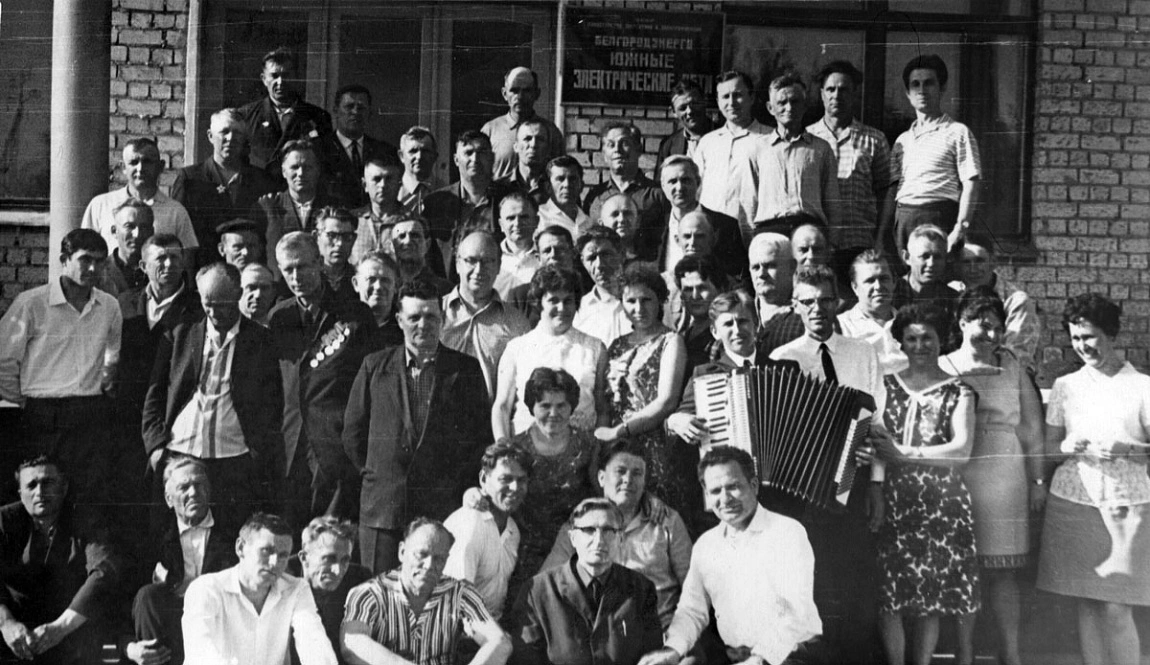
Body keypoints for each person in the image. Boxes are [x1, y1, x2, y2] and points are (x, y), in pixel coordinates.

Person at [769, 264, 886, 664]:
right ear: (794, 306)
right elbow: (776, 431)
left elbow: (876, 425)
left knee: (857, 581)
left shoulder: (863, 353)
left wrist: (876, 484)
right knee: (812, 583)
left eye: (824, 300)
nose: (817, 309)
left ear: (837, 302)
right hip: (801, 492)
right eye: (807, 302)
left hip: (854, 482)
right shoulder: (783, 358)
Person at [342, 280, 491, 573]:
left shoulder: (466, 370)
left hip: (440, 509)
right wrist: (379, 474)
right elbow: (352, 434)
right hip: (383, 510)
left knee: (432, 591)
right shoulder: (374, 366)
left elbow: (479, 439)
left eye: (431, 317)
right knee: (378, 591)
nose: (423, 325)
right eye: (414, 318)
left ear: (443, 318)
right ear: (399, 320)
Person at [1035, 293, 1150, 665]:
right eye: (1076, 338)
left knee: (1117, 606)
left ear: (1111, 334)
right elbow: (1049, 450)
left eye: (1090, 336)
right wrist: (1068, 445)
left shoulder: (1143, 386)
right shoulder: (1066, 386)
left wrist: (1127, 448)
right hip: (1074, 503)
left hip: (1128, 506)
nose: (1082, 346)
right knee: (1087, 602)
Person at [867, 304, 979, 665]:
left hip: (941, 504)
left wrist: (904, 453)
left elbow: (961, 451)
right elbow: (877, 443)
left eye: (927, 338)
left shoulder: (959, 392)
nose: (919, 346)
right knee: (890, 595)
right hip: (894, 499)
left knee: (930, 596)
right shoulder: (885, 385)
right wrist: (877, 485)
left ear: (941, 340)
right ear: (900, 342)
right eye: (911, 338)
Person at [639, 446, 822, 665]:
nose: (725, 499)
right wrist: (672, 650)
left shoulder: (787, 532)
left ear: (754, 486)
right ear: (707, 495)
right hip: (734, 657)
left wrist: (760, 659)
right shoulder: (706, 545)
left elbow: (795, 611)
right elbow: (691, 610)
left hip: (788, 655)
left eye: (733, 487)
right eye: (716, 491)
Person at [940, 288, 1044, 665]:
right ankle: (964, 653)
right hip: (960, 476)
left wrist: (1037, 481)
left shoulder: (1011, 365)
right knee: (963, 571)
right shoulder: (944, 365)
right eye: (983, 325)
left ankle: (1010, 653)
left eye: (998, 328)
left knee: (1004, 573)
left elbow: (1032, 427)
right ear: (962, 323)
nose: (992, 335)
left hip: (1006, 478)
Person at [142, 263, 284, 527]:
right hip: (179, 453)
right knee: (171, 535)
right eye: (208, 304)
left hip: (233, 460)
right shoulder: (181, 330)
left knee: (227, 536)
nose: (214, 312)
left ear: (238, 294)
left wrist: (257, 454)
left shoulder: (260, 341)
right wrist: (155, 447)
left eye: (223, 305)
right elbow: (155, 391)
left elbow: (271, 405)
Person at [0, 229, 120, 504]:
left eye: (100, 261)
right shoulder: (32, 304)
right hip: (42, 417)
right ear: (64, 260)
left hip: (89, 415)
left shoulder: (109, 307)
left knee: (86, 498)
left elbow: (112, 356)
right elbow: (3, 361)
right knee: (42, 496)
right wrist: (26, 400)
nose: (93, 268)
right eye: (85, 260)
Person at [665, 290, 799, 535]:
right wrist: (675, 420)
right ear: (715, 331)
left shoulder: (785, 371)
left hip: (780, 491)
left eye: (743, 321)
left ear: (756, 324)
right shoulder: (704, 375)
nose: (737, 330)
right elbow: (679, 422)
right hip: (730, 493)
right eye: (728, 324)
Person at [269, 232, 375, 523]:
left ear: (319, 262)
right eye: (288, 270)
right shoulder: (278, 318)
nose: (296, 277)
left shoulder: (355, 315)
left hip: (336, 450)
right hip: (290, 451)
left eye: (302, 266)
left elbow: (371, 387)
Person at [542, 440, 692, 629]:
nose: (628, 480)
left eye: (637, 473)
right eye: (620, 471)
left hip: (659, 632)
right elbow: (546, 584)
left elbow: (693, 589)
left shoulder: (667, 522)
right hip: (600, 637)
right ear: (601, 478)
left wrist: (678, 636)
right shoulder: (580, 525)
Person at [511, 498, 662, 665]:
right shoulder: (537, 592)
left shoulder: (641, 589)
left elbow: (651, 657)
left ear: (620, 539)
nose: (599, 540)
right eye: (589, 530)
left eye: (608, 530)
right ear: (573, 538)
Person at [342, 518, 512, 665]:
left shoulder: (460, 593)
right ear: (402, 552)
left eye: (439, 559)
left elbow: (500, 643)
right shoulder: (369, 593)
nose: (429, 565)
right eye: (421, 554)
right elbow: (352, 643)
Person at [0, 457, 119, 664]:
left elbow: (105, 570)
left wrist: (60, 628)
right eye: (31, 485)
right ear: (20, 493)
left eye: (48, 483)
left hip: (70, 629)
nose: (40, 492)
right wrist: (6, 623)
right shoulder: (5, 520)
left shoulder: (85, 519)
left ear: (64, 488)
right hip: (14, 632)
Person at [182, 512, 336, 665]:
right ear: (240, 548)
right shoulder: (205, 589)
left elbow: (315, 643)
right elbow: (201, 655)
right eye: (266, 551)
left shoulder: (296, 589)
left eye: (283, 555)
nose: (274, 563)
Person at [501, 367, 602, 598]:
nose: (553, 413)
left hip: (573, 549)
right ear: (532, 407)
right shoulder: (516, 448)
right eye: (545, 405)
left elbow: (601, 495)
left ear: (572, 406)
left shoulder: (588, 445)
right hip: (525, 549)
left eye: (561, 405)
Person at [126, 457, 236, 665]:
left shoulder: (232, 533)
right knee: (148, 595)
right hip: (171, 629)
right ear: (169, 499)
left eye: (199, 484)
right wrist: (129, 646)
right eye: (184, 487)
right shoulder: (154, 538)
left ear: (209, 490)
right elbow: (128, 597)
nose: (193, 492)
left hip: (218, 622)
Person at [595, 265, 687, 510]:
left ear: (660, 301)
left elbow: (666, 401)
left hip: (653, 447)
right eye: (631, 301)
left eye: (646, 299)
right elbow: (603, 402)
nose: (639, 308)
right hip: (615, 450)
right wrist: (603, 445)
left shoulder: (670, 341)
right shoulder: (616, 346)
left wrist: (620, 431)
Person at [492, 265, 608, 439]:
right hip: (525, 448)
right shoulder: (517, 348)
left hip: (580, 449)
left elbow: (602, 409)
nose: (561, 308)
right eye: (553, 300)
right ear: (539, 303)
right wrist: (504, 449)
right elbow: (502, 407)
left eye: (568, 301)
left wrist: (598, 449)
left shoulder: (595, 348)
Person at [882, 54, 981, 254]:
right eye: (915, 84)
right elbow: (892, 192)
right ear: (908, 93)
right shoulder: (902, 140)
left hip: (939, 217)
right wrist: (881, 237)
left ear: (941, 88)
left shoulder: (957, 132)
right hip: (904, 219)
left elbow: (971, 183)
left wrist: (960, 228)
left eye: (928, 83)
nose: (921, 90)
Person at [806, 61, 893, 251]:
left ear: (854, 94)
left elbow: (886, 193)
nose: (836, 95)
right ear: (822, 94)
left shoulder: (875, 139)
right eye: (830, 89)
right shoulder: (807, 139)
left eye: (843, 90)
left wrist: (880, 238)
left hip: (859, 241)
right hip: (816, 245)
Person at [171, 108, 277, 264]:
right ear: (210, 136)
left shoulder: (261, 180)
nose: (231, 138)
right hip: (205, 269)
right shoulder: (190, 179)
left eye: (237, 133)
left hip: (249, 269)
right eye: (224, 132)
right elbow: (178, 230)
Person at [444, 441, 533, 621]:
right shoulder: (470, 523)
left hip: (489, 626)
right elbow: (456, 604)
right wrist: (497, 636)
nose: (515, 488)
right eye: (505, 479)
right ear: (484, 479)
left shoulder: (513, 531)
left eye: (521, 480)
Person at [441, 232, 530, 399]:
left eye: (488, 261)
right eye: (471, 260)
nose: (479, 270)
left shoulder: (517, 324)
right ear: (458, 264)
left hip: (491, 414)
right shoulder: (436, 313)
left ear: (499, 266)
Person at [83, 139, 199, 267]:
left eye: (147, 162)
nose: (140, 168)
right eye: (133, 162)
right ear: (123, 167)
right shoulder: (100, 205)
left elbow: (188, 261)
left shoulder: (176, 212)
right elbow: (83, 252)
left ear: (160, 166)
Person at [754, 74, 841, 237]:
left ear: (805, 106)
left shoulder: (821, 149)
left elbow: (833, 203)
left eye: (795, 102)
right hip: (769, 231)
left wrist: (833, 241)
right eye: (782, 102)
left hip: (809, 230)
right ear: (770, 108)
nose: (789, 108)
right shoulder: (758, 148)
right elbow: (749, 201)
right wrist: (752, 244)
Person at [235, 48, 332, 178]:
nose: (280, 82)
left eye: (286, 75)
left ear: (296, 78)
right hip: (260, 187)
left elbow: (324, 164)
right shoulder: (246, 115)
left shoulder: (318, 117)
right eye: (274, 76)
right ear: (264, 79)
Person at [695, 70, 769, 240]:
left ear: (751, 97)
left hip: (752, 234)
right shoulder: (708, 142)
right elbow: (696, 190)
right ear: (718, 101)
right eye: (725, 97)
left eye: (738, 95)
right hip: (711, 235)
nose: (731, 102)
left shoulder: (769, 139)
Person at [288, 516, 372, 665]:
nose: (337, 570)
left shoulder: (359, 580)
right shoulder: (282, 582)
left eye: (345, 560)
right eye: (328, 559)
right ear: (304, 558)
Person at [422, 131, 506, 276]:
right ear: (456, 160)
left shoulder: (507, 199)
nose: (475, 159)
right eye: (468, 153)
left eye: (482, 152)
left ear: (492, 158)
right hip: (448, 286)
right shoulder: (435, 203)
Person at [954, 235, 1041, 373]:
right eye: (966, 262)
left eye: (979, 261)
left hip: (1007, 377)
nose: (973, 269)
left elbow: (1015, 357)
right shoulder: (952, 293)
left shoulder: (1016, 302)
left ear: (993, 262)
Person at [584, 122, 669, 262]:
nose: (617, 150)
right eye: (611, 145)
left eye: (624, 143)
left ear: (639, 149)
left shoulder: (658, 194)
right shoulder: (595, 197)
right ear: (604, 154)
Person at [657, 155, 746, 284]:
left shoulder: (725, 227)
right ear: (663, 186)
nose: (680, 187)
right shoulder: (654, 227)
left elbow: (737, 279)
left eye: (686, 180)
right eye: (672, 181)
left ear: (698, 182)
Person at [316, 84, 399, 208]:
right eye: (349, 107)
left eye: (361, 108)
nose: (355, 112)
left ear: (369, 113)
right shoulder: (318, 149)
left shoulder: (384, 150)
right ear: (335, 110)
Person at [258, 140, 331, 277]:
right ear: (283, 171)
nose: (301, 173)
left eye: (307, 167)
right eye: (294, 167)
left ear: (318, 170)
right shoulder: (268, 206)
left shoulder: (332, 207)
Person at [482, 66, 565, 182]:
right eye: (514, 91)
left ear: (537, 94)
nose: (520, 97)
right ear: (504, 93)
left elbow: (562, 174)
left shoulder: (551, 132)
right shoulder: (490, 130)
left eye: (527, 91)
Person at [837, 250, 908, 376]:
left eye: (884, 279)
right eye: (870, 281)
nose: (878, 286)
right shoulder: (840, 327)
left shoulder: (911, 324)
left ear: (894, 282)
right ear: (855, 287)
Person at [504, 225, 587, 324]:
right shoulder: (520, 297)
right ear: (538, 258)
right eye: (547, 251)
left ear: (573, 254)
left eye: (560, 249)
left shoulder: (589, 293)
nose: (553, 255)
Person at [747, 232, 804, 354]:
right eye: (755, 267)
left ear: (792, 267)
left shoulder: (808, 315)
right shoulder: (740, 310)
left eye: (770, 266)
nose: (761, 274)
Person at [574, 224, 630, 347]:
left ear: (622, 255)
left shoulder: (643, 299)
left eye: (606, 255)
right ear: (583, 262)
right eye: (591, 258)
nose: (599, 265)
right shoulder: (579, 309)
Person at [671, 255, 724, 376]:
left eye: (702, 288)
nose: (695, 296)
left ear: (719, 289)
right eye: (688, 289)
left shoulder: (722, 335)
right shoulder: (683, 334)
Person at [349, 157, 407, 266]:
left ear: (399, 184)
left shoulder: (413, 222)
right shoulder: (351, 221)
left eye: (389, 179)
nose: (383, 185)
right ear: (365, 185)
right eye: (377, 179)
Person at [893, 224, 960, 312]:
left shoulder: (953, 300)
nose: (931, 263)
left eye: (937, 257)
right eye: (924, 256)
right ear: (907, 257)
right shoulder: (891, 293)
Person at [656, 78, 715, 173]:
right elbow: (661, 181)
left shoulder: (726, 137)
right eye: (682, 108)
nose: (690, 111)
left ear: (704, 102)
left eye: (694, 104)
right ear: (674, 112)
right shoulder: (668, 146)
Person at [492, 192, 541, 300]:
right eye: (511, 218)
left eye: (524, 217)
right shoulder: (490, 256)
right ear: (501, 224)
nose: (517, 223)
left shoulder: (546, 257)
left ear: (536, 221)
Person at [101, 198, 154, 297]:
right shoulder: (99, 273)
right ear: (114, 231)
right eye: (129, 226)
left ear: (152, 232)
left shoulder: (160, 271)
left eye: (144, 227)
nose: (137, 235)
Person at [388, 216, 453, 296]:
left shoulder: (446, 290)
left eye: (415, 235)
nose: (408, 241)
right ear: (392, 246)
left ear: (427, 244)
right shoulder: (384, 287)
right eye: (401, 236)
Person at [497, 117, 551, 206]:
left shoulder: (557, 186)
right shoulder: (500, 188)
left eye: (540, 139)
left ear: (548, 148)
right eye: (527, 139)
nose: (533, 145)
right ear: (516, 147)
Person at [352, 252, 402, 345]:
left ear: (396, 286)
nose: (378, 286)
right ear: (356, 284)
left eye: (385, 280)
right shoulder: (342, 325)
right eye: (371, 279)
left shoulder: (405, 330)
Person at [313, 207, 359, 304]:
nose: (340, 243)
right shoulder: (305, 277)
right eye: (332, 235)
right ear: (316, 237)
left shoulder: (360, 279)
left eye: (347, 237)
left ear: (354, 239)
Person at [537, 156, 591, 240]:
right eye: (560, 179)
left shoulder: (588, 222)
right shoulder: (538, 217)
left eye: (572, 179)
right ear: (548, 186)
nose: (567, 185)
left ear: (581, 186)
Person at [397, 126, 441, 211]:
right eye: (413, 151)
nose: (419, 157)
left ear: (435, 157)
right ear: (401, 156)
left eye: (425, 151)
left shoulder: (447, 192)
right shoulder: (391, 193)